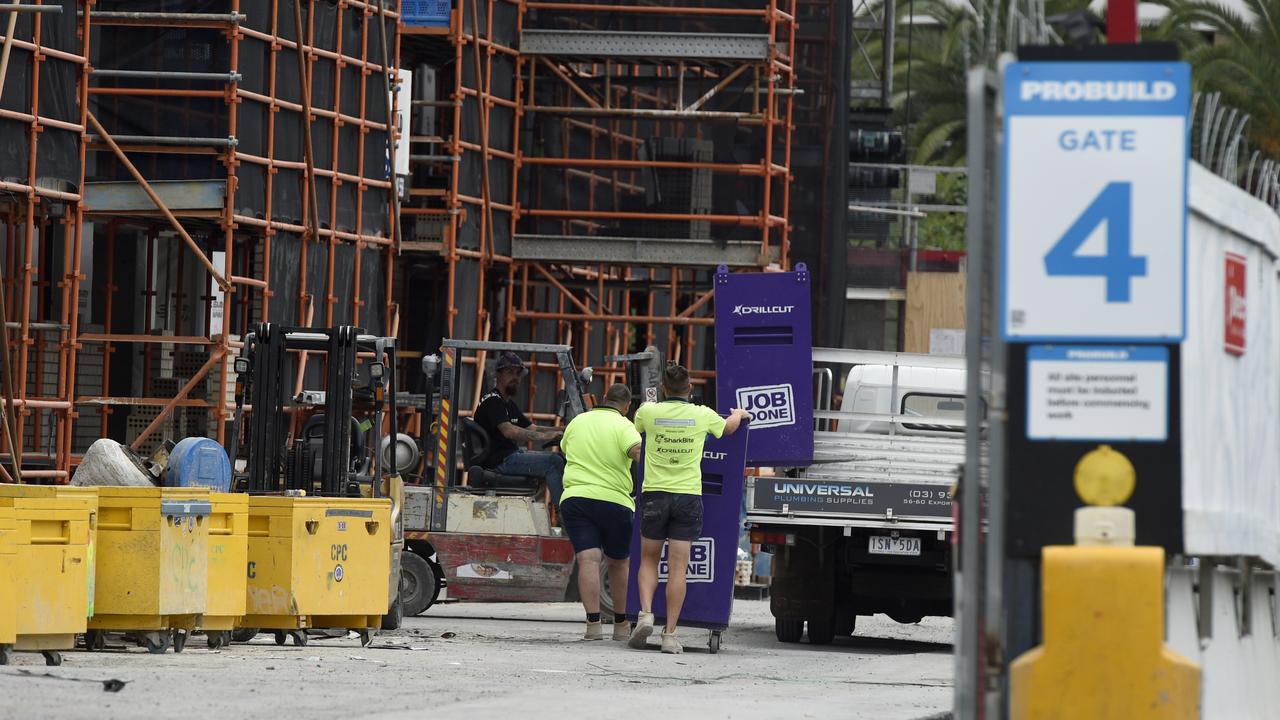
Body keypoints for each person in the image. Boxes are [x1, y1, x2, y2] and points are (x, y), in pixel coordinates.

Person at [628, 364, 749, 654]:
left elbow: (638, 429)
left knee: (648, 560)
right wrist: (738, 414)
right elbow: (729, 429)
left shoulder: (649, 411)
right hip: (688, 497)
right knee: (678, 569)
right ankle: (670, 635)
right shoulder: (703, 414)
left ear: (665, 389)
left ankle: (645, 614)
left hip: (655, 494)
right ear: (690, 389)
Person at [558, 383, 643, 641]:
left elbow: (564, 448)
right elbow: (638, 452)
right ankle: (620, 626)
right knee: (618, 562)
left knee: (588, 559)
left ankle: (593, 627)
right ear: (627, 406)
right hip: (613, 501)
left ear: (604, 398)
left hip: (575, 499)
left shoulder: (578, 422)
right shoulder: (625, 426)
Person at [473, 351, 566, 504]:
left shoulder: (508, 403)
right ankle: (566, 516)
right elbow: (509, 431)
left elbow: (533, 428)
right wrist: (546, 437)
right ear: (498, 375)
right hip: (499, 461)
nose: (515, 378)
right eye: (510, 372)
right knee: (554, 462)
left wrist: (562, 430)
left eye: (518, 373)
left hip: (509, 456)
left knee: (555, 461)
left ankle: (537, 510)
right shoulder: (493, 402)